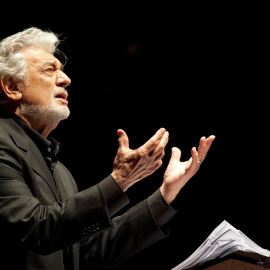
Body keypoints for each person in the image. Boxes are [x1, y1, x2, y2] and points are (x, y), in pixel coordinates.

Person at [0, 27, 215, 270]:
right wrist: (120, 180)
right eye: (49, 70)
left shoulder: (60, 171)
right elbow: (37, 229)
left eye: (61, 69)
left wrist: (165, 193)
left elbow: (91, 249)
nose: (65, 78)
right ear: (12, 87)